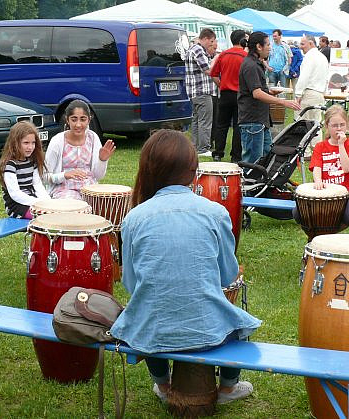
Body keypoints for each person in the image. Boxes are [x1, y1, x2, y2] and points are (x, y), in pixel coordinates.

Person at [110, 130, 261, 404]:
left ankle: (164, 386)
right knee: (237, 321)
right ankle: (227, 388)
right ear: (193, 171)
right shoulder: (216, 213)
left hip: (153, 333)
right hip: (209, 332)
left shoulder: (133, 219)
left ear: (148, 169)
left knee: (143, 313)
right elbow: (228, 276)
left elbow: (131, 285)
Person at [237, 31, 300, 164]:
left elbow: (256, 91)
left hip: (260, 120)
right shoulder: (251, 65)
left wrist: (271, 93)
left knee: (266, 157)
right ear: (259, 47)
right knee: (252, 162)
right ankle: (250, 183)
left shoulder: (257, 63)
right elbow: (256, 93)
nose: (270, 47)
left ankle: (261, 183)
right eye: (267, 44)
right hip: (252, 120)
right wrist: (283, 102)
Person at [44, 100, 116, 199]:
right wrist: (65, 175)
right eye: (74, 119)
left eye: (83, 119)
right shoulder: (57, 141)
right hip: (64, 190)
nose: (78, 125)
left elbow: (98, 176)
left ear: (89, 120)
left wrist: (102, 160)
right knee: (72, 205)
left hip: (90, 188)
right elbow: (45, 177)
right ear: (67, 120)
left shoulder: (93, 138)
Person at [305, 105, 349, 228]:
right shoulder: (320, 146)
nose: (339, 129)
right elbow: (317, 167)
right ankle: (319, 233)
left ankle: (328, 233)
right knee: (298, 213)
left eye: (342, 125)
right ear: (327, 127)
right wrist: (318, 181)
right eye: (335, 126)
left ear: (347, 125)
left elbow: (346, 169)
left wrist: (341, 145)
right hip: (325, 192)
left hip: (346, 193)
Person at [210, 30, 247, 163]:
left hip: (225, 94)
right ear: (243, 40)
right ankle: (236, 156)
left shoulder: (223, 55)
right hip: (239, 95)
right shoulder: (245, 56)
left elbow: (213, 74)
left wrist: (221, 85)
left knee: (221, 125)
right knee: (238, 126)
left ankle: (218, 153)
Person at [0, 121, 48, 219]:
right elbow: (15, 194)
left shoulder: (32, 161)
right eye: (26, 143)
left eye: (33, 143)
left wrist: (47, 202)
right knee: (43, 217)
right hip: (16, 206)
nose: (30, 147)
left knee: (54, 212)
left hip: (32, 201)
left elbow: (37, 185)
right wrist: (38, 203)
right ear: (15, 143)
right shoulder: (10, 165)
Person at [185, 28, 218, 156]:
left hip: (194, 92)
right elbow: (208, 70)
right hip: (202, 91)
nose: (212, 44)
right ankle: (204, 149)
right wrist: (216, 59)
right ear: (204, 39)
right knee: (205, 121)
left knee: (197, 120)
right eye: (211, 41)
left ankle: (195, 147)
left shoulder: (192, 49)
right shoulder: (198, 50)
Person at [295, 34, 329, 127]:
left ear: (310, 43)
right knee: (316, 127)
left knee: (304, 127)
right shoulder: (322, 57)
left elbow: (304, 77)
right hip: (319, 95)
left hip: (309, 95)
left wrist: (298, 95)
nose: (300, 47)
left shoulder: (310, 57)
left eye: (302, 44)